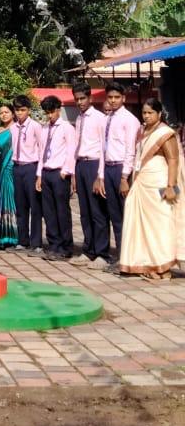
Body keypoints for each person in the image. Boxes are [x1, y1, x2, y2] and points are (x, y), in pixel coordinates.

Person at [120, 98, 185, 280]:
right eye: (144, 113)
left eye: (150, 113)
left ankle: (163, 266)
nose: (147, 116)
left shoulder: (165, 133)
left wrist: (171, 186)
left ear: (159, 114)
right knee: (142, 225)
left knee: (160, 224)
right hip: (142, 183)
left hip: (159, 183)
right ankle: (145, 262)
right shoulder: (143, 131)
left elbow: (173, 160)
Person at [95, 82, 139, 262]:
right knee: (114, 216)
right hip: (109, 168)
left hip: (122, 169)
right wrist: (100, 176)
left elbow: (131, 150)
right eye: (110, 97)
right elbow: (102, 149)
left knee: (126, 215)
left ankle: (129, 257)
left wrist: (124, 177)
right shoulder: (106, 119)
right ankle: (121, 256)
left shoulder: (130, 120)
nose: (113, 100)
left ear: (124, 98)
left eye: (117, 97)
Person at [71, 83, 109, 270]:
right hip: (81, 164)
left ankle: (102, 253)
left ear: (90, 98)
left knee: (98, 212)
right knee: (85, 212)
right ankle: (89, 250)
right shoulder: (79, 118)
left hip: (95, 164)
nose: (80, 102)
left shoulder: (100, 118)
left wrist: (100, 175)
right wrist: (74, 173)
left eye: (83, 98)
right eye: (77, 99)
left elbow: (104, 147)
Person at [36, 96, 77, 260]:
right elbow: (41, 152)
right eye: (47, 112)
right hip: (46, 171)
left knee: (62, 211)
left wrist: (66, 170)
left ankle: (66, 246)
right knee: (49, 211)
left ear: (58, 110)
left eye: (52, 112)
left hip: (60, 172)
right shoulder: (45, 128)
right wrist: (39, 174)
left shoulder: (66, 127)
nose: (49, 115)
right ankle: (54, 244)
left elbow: (71, 150)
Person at [12, 95, 44, 253]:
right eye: (17, 110)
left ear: (29, 110)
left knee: (35, 205)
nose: (20, 113)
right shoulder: (13, 127)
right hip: (17, 167)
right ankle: (22, 240)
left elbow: (42, 149)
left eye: (23, 110)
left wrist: (39, 173)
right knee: (20, 206)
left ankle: (36, 242)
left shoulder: (35, 126)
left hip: (31, 166)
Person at [0, 104, 18, 249]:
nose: (3, 115)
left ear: (12, 113)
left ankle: (14, 236)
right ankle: (3, 236)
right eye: (1, 112)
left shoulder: (16, 129)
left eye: (6, 112)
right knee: (2, 201)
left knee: (11, 201)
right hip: (0, 169)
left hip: (11, 168)